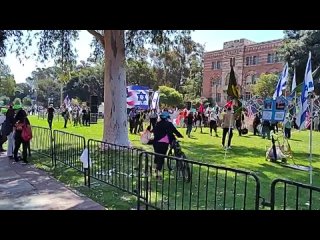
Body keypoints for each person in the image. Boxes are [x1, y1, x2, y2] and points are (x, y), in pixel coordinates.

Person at [153, 111, 183, 180]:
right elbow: (175, 131)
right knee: (161, 158)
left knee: (157, 156)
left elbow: (154, 132)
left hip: (156, 142)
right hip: (163, 143)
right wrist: (180, 135)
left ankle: (156, 169)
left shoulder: (157, 124)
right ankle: (158, 174)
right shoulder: (169, 124)